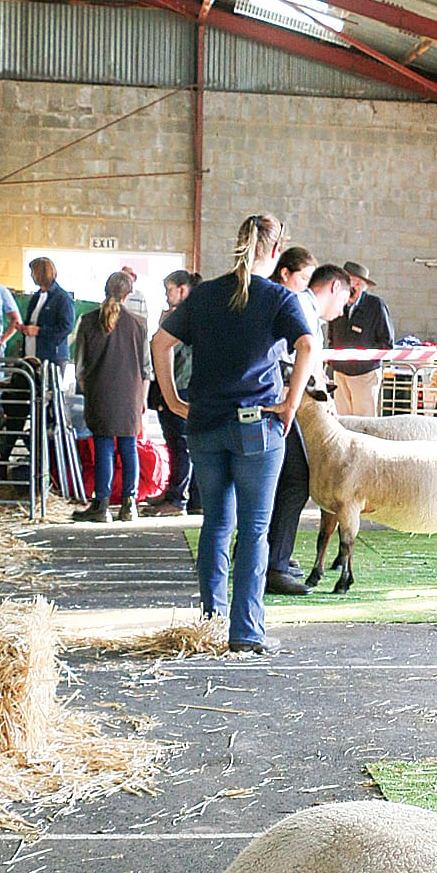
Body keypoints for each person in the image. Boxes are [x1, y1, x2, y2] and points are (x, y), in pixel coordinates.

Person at [152, 211, 313, 655]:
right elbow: (308, 345)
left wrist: (173, 399)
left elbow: (160, 342)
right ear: (276, 250)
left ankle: (211, 623)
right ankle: (246, 632)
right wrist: (291, 402)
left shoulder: (204, 294)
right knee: (255, 530)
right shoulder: (279, 298)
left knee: (216, 524)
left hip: (205, 424)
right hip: (256, 426)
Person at [267, 261, 352, 595]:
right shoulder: (301, 307)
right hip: (279, 401)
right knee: (294, 480)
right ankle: (273, 565)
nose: (342, 310)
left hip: (279, 399)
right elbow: (296, 357)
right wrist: (311, 393)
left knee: (279, 479)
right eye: (344, 300)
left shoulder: (304, 310)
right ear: (334, 288)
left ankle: (268, 555)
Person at [71, 271, 152, 523]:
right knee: (129, 448)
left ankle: (102, 505)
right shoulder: (139, 324)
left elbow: (79, 368)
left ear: (105, 290)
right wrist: (142, 399)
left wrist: (89, 391)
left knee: (104, 447)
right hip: (131, 396)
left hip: (100, 393)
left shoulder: (87, 321)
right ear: (128, 295)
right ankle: (129, 506)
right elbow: (146, 369)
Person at [146, 270, 199, 515]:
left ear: (183, 289)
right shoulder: (191, 314)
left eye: (169, 290)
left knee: (180, 444)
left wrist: (162, 328)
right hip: (181, 384)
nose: (167, 296)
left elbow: (166, 348)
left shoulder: (186, 317)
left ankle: (177, 498)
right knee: (179, 443)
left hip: (180, 385)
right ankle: (187, 495)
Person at [328, 260, 393, 418]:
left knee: (364, 422)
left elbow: (387, 342)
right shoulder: (337, 303)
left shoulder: (376, 305)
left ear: (362, 286)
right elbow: (331, 336)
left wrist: (366, 360)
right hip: (340, 373)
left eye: (357, 283)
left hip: (365, 375)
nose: (353, 286)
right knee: (342, 420)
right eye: (349, 281)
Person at [21, 257, 76, 370]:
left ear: (41, 273)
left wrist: (39, 331)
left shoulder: (62, 298)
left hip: (53, 357)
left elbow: (66, 327)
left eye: (33, 272)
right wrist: (24, 328)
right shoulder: (36, 297)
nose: (31, 275)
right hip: (31, 354)